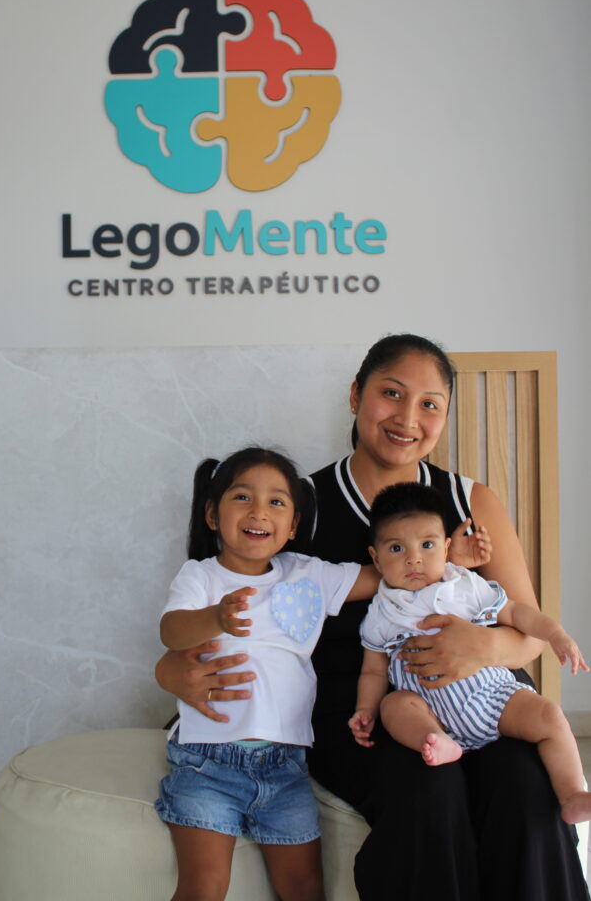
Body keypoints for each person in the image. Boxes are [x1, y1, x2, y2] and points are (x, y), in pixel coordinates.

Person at [155, 334, 591, 901]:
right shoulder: (298, 505)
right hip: (362, 708)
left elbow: (527, 631)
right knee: (430, 790)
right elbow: (237, 603)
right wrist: (171, 672)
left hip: (481, 692)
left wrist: (484, 648)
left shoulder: (471, 501)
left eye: (430, 404)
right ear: (356, 395)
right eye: (392, 393)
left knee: (526, 785)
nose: (408, 418)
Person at [154, 446, 382, 901]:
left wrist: (443, 558)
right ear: (212, 514)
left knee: (305, 888)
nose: (259, 511)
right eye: (242, 497)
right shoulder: (202, 577)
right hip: (207, 763)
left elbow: (382, 575)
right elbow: (171, 631)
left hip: (285, 768)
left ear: (293, 524)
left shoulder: (307, 575)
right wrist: (215, 618)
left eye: (276, 501)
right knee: (204, 886)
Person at [349, 481, 591, 826]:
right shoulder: (382, 611)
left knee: (550, 716)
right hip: (430, 712)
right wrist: (365, 708)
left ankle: (572, 795)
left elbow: (515, 612)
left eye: (427, 545)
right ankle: (437, 741)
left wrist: (555, 634)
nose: (414, 558)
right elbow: (373, 670)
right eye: (397, 548)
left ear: (446, 548)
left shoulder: (463, 585)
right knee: (394, 706)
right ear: (376, 557)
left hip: (492, 697)